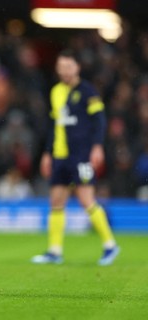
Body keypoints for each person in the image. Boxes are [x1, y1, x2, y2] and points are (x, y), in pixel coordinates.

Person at [31, 49, 120, 266]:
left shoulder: (88, 91)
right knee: (56, 202)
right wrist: (47, 153)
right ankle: (54, 251)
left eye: (68, 67)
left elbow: (99, 121)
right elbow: (54, 125)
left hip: (81, 154)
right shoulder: (56, 92)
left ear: (77, 68)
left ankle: (110, 244)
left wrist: (97, 147)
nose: (64, 71)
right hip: (60, 155)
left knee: (86, 199)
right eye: (61, 67)